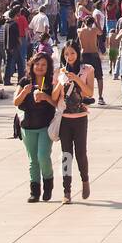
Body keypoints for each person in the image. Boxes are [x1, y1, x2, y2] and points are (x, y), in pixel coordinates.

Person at [53, 41, 94, 203]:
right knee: (66, 155)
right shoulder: (60, 72)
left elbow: (89, 92)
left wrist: (77, 79)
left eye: (72, 53)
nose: (69, 57)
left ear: (78, 53)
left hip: (80, 118)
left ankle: (85, 180)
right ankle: (66, 191)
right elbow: (55, 97)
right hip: (64, 119)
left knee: (81, 153)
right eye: (66, 54)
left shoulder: (87, 69)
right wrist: (61, 82)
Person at [13, 52, 57, 202]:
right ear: (32, 65)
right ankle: (35, 190)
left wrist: (46, 97)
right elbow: (16, 102)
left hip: (45, 125)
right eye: (37, 64)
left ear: (48, 67)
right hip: (27, 126)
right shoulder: (25, 81)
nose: (40, 67)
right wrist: (25, 92)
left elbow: (58, 103)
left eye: (43, 64)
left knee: (43, 156)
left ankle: (48, 183)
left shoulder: (51, 82)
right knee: (33, 160)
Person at [78, 11, 106, 106]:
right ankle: (100, 97)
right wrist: (96, 22)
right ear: (92, 23)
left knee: (83, 77)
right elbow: (101, 32)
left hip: (84, 54)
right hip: (94, 54)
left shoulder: (80, 31)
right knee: (99, 77)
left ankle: (83, 96)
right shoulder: (94, 30)